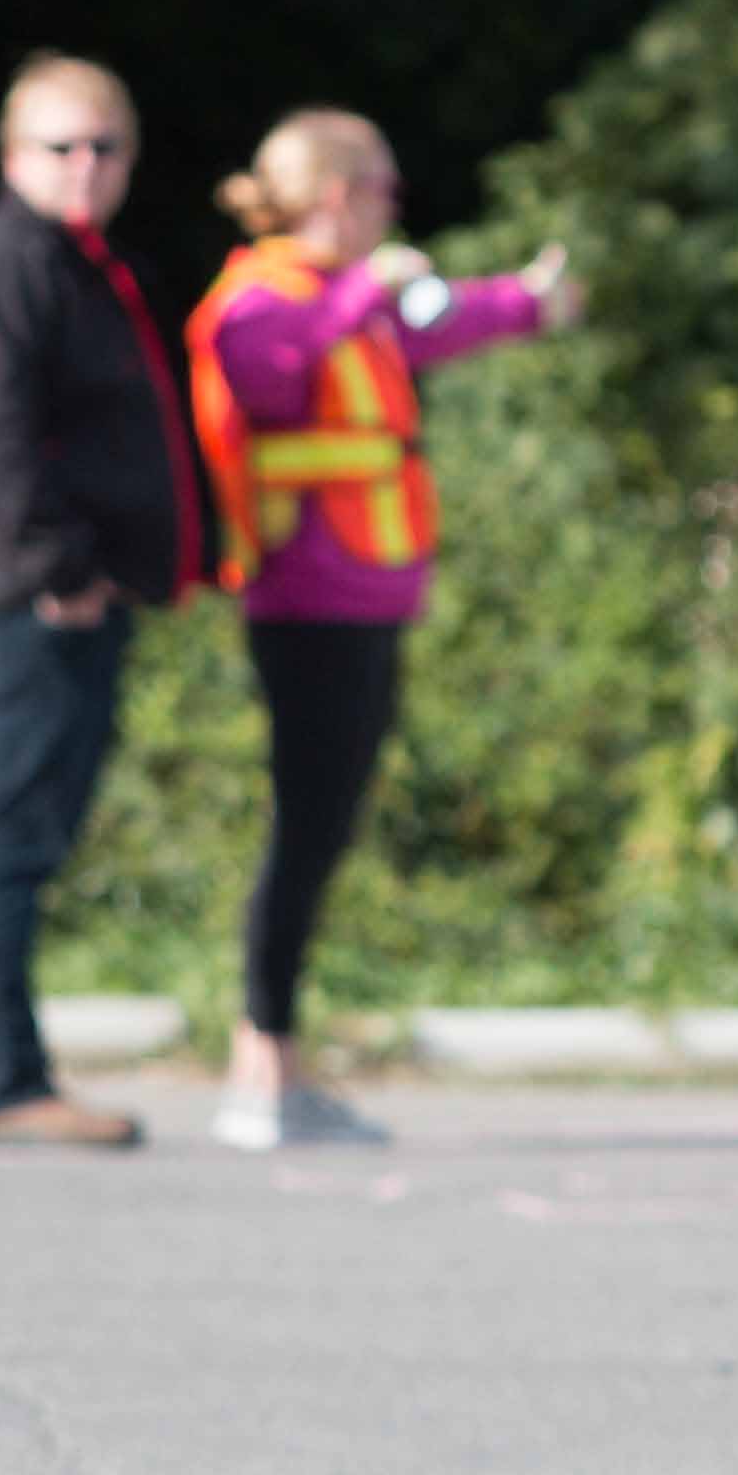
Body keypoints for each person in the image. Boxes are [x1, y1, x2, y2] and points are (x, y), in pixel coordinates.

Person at [181, 111, 582, 1153]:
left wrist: (528, 303)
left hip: (365, 603)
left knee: (323, 826)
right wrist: (369, 290)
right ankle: (261, 1069)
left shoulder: (340, 299)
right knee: (306, 829)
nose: (393, 210)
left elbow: (435, 324)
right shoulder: (264, 297)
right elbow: (267, 373)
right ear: (337, 196)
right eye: (386, 191)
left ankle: (273, 1065)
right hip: (307, 607)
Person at [0, 52, 199, 1148]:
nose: (85, 165)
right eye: (61, 146)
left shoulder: (79, 264)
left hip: (69, 592)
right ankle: (6, 1083)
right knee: (15, 832)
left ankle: (11, 1075)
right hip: (29, 600)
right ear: (11, 155)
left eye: (105, 147)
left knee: (35, 829)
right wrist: (61, 571)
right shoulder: (9, 265)